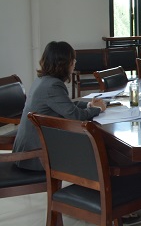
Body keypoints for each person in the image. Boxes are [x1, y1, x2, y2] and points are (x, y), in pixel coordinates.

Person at [13, 41, 106, 171]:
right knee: (94, 146)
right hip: (35, 156)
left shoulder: (42, 80)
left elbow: (65, 105)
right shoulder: (53, 85)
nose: (75, 62)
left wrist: (89, 104)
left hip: (28, 149)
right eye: (72, 59)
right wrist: (97, 109)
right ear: (63, 63)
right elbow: (75, 116)